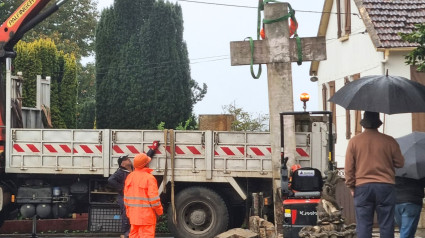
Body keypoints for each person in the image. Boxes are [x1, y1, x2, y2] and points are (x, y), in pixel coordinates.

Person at [345, 111, 404, 238]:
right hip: (386, 187)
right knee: (387, 224)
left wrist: (351, 186)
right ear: (378, 124)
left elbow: (349, 168)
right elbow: (400, 163)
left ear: (363, 124)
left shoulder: (354, 142)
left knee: (364, 225)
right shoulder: (389, 140)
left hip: (362, 187)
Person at [124, 149, 163, 238]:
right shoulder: (149, 178)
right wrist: (159, 211)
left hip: (134, 216)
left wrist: (129, 213)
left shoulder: (130, 177)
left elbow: (126, 198)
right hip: (146, 217)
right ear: (146, 164)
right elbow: (154, 199)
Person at [108, 155, 134, 238]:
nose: (128, 160)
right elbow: (110, 180)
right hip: (124, 197)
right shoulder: (120, 172)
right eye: (126, 159)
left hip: (131, 196)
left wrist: (152, 149)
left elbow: (144, 160)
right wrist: (122, 189)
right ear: (122, 164)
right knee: (126, 214)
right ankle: (125, 234)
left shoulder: (133, 169)